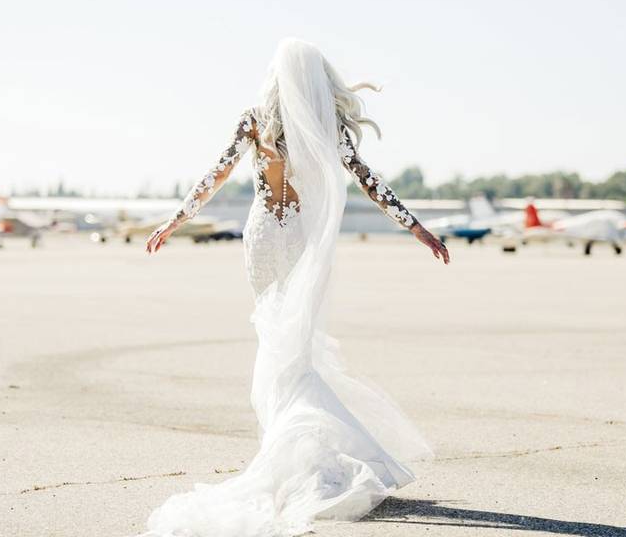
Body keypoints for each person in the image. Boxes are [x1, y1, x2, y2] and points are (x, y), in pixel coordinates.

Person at [142, 38, 449, 537]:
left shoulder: (255, 120)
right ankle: (302, 453)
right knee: (296, 347)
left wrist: (176, 220)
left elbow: (216, 174)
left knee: (277, 343)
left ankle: (286, 451)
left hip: (265, 233)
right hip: (301, 237)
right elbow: (369, 181)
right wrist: (415, 226)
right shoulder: (324, 125)